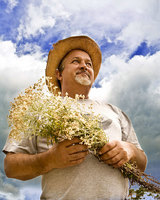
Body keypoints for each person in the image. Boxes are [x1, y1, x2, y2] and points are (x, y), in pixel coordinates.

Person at [3, 36, 147, 200]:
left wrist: (130, 151)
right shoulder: (38, 111)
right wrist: (50, 159)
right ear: (59, 74)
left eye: (89, 64)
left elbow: (141, 164)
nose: (84, 66)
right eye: (76, 61)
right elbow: (10, 166)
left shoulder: (115, 112)